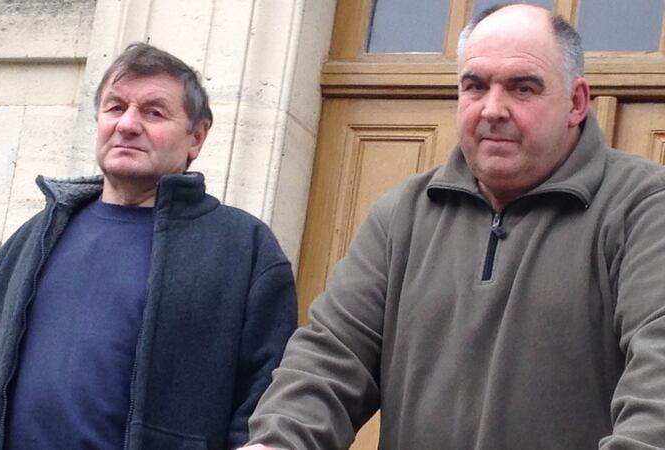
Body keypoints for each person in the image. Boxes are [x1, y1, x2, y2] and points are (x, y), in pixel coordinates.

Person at [242, 4, 665, 450]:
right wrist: (278, 441)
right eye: (475, 86)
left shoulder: (643, 205)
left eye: (523, 88)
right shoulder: (402, 213)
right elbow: (330, 357)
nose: (492, 109)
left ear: (576, 102)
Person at [0, 43, 297, 450]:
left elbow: (265, 402)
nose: (128, 124)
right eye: (115, 108)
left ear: (196, 137)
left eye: (153, 112)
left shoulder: (243, 249)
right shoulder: (29, 242)